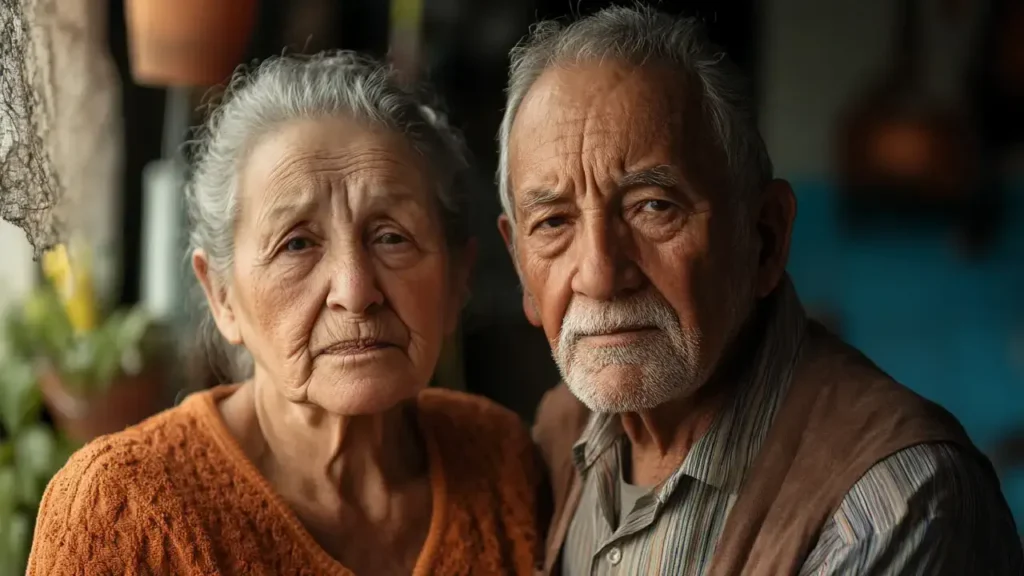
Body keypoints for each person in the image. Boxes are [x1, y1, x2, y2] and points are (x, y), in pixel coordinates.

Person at [496, 6, 1023, 575]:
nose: (599, 274)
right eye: (553, 223)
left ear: (765, 237)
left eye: (654, 207)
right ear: (522, 267)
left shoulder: (894, 505)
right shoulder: (557, 435)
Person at [28, 52, 543, 576]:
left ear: (457, 279)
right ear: (222, 295)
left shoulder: (501, 461)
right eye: (296, 244)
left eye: (391, 237)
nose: (354, 290)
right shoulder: (121, 511)